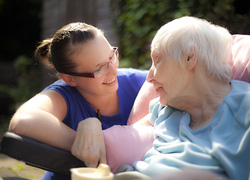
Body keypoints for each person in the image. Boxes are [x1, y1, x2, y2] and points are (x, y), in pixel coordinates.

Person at [103, 16, 250, 180]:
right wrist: (90, 127)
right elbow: (119, 138)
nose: (149, 77)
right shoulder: (165, 108)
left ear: (189, 57)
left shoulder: (245, 108)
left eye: (157, 60)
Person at [8, 22, 149, 180]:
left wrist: (101, 138)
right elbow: (23, 121)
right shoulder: (63, 95)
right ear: (70, 79)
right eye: (99, 69)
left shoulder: (140, 83)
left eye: (111, 56)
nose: (114, 70)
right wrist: (86, 138)